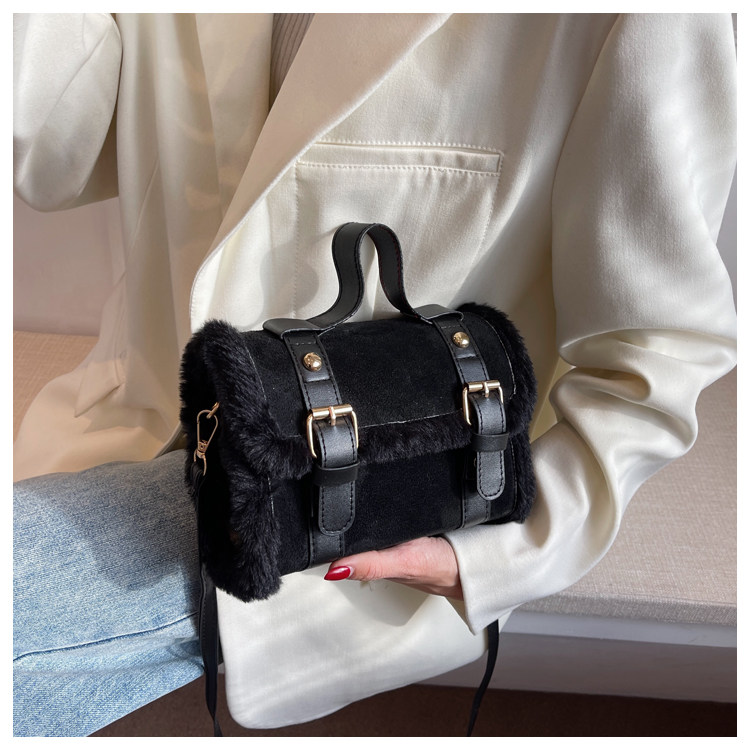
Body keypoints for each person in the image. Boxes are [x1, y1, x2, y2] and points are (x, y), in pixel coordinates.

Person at [13, 13, 737, 737]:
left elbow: (658, 346)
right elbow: (51, 156)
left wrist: (502, 553)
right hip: (140, 416)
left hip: (371, 507)